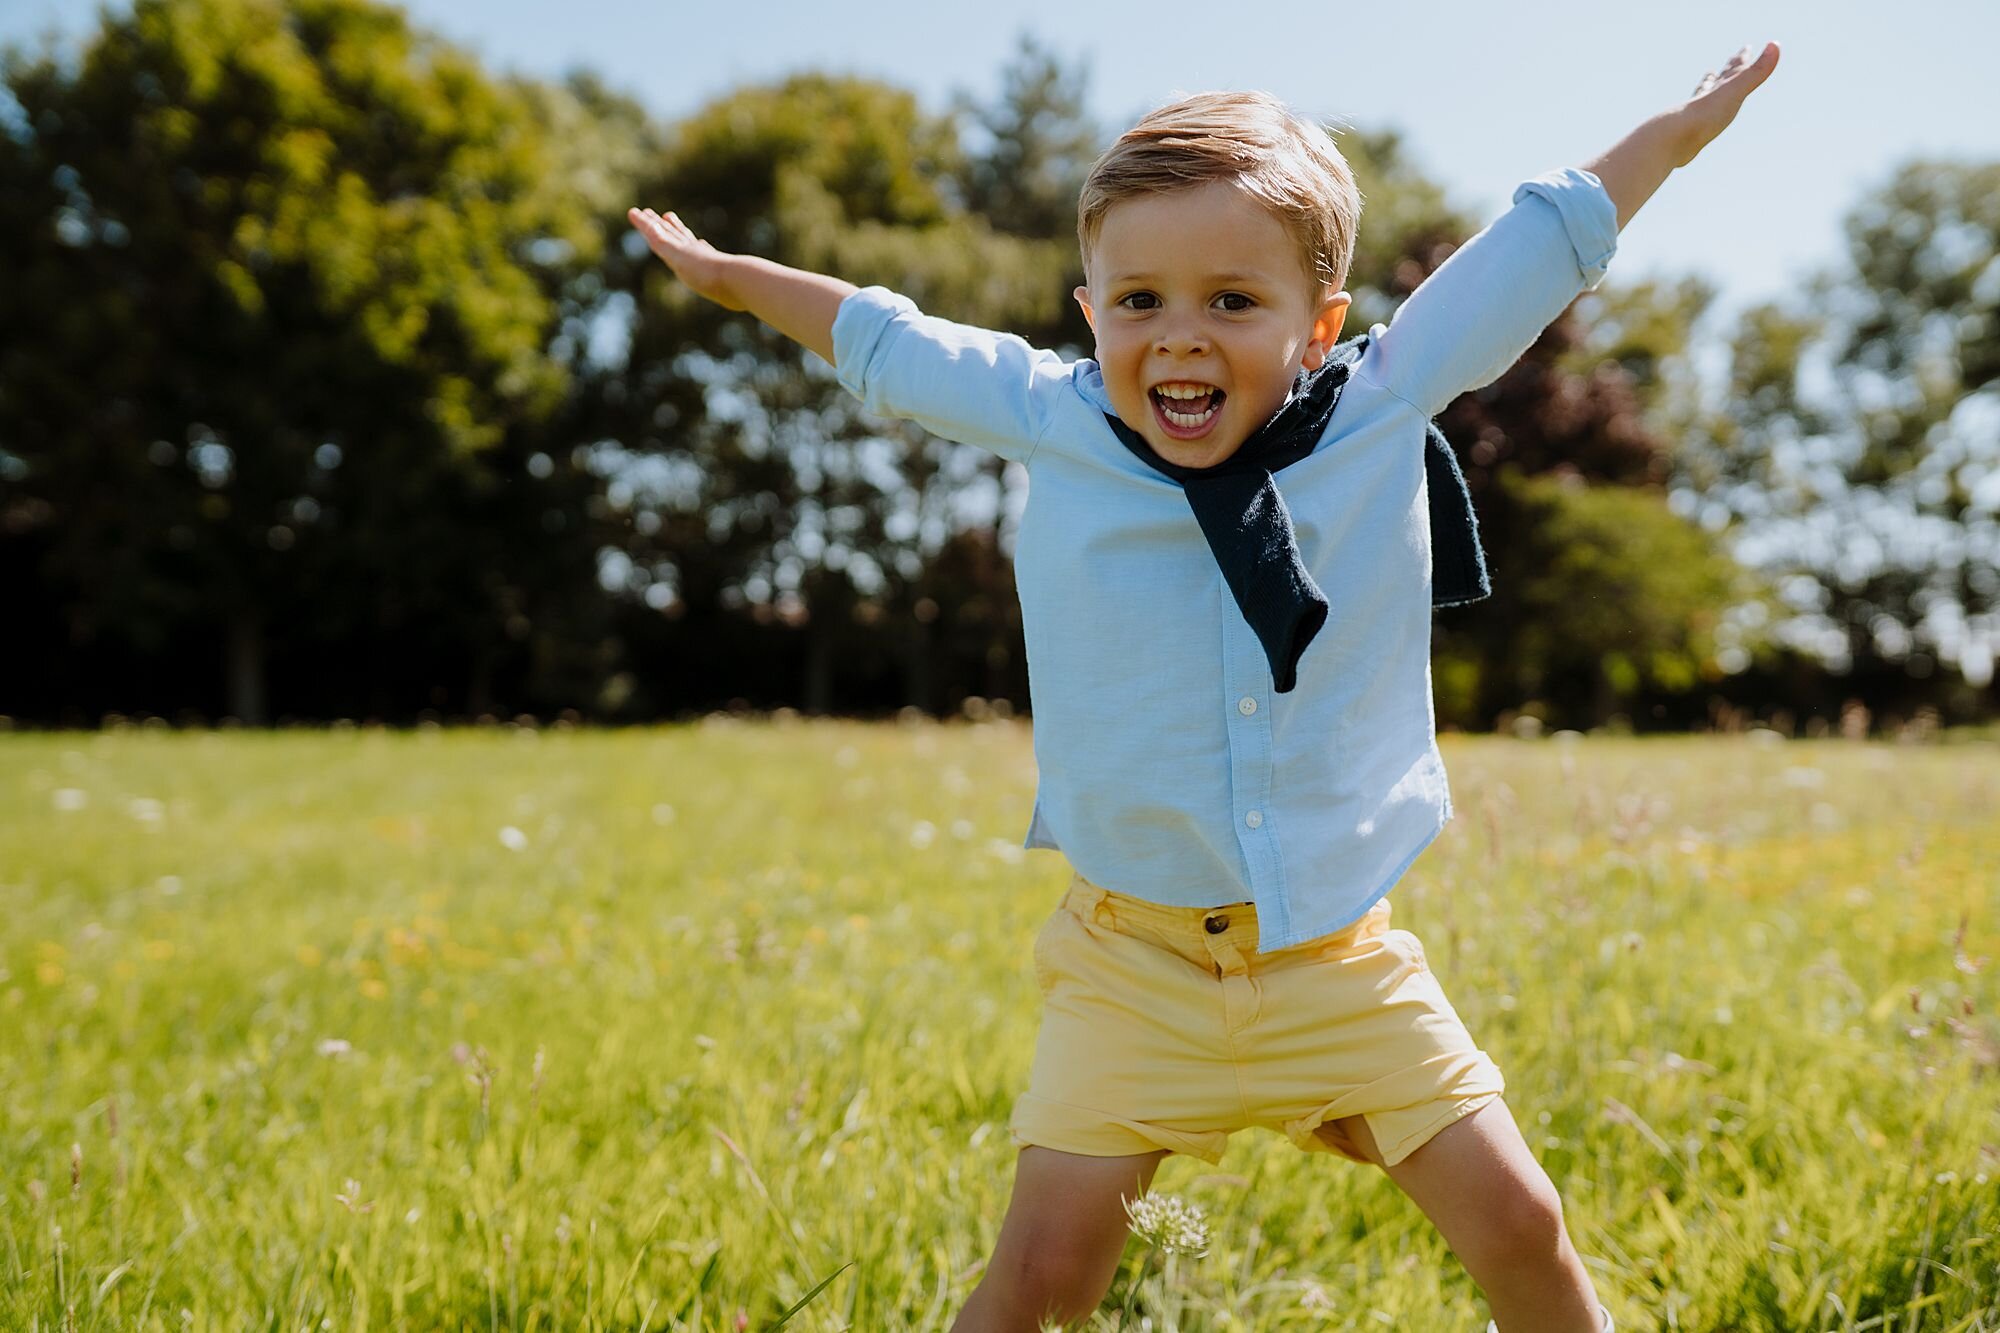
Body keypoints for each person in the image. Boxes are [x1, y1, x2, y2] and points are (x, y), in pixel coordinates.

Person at [631, 39, 1778, 1333]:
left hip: (1339, 957)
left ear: (1320, 324)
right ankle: (1320, 1117)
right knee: (1041, 1286)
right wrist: (731, 281)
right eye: (1141, 303)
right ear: (1092, 313)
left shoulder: (1380, 401)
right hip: (1134, 969)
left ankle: (1346, 1103)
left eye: (1234, 301)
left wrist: (1670, 140)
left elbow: (1534, 245)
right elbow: (886, 341)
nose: (1180, 337)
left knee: (1523, 1223)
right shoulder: (1053, 418)